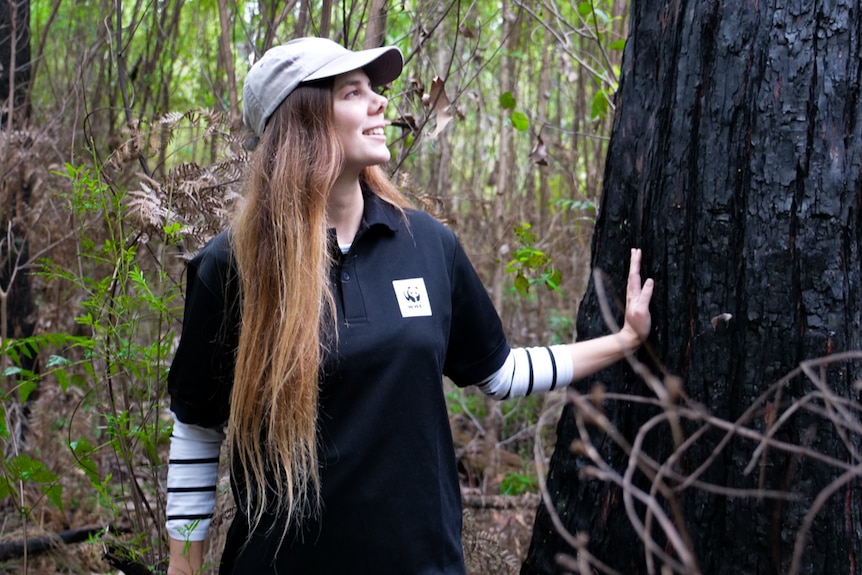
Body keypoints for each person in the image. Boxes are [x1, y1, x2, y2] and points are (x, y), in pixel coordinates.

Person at [165, 36, 654, 575]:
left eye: (374, 89)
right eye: (353, 92)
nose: (380, 102)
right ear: (300, 121)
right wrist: (182, 567)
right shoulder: (235, 266)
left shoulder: (426, 244)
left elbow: (500, 372)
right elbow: (197, 429)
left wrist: (623, 340)